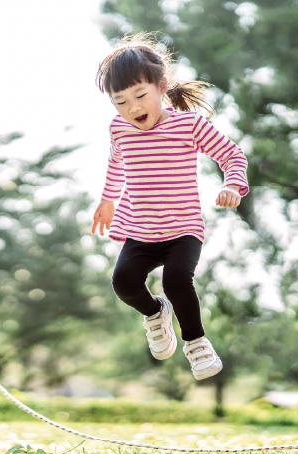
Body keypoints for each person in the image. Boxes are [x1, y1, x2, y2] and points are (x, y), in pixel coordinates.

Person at [91, 34, 249, 380]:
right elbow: (117, 164)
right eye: (120, 101)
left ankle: (196, 343)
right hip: (140, 229)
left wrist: (233, 184)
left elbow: (232, 154)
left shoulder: (187, 125)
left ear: (161, 86)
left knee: (177, 280)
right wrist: (107, 200)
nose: (132, 108)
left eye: (139, 96)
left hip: (182, 229)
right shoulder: (119, 129)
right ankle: (154, 312)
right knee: (123, 282)